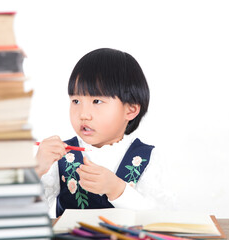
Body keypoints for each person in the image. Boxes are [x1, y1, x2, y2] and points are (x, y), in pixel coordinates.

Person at [35, 48, 173, 218]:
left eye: (97, 101)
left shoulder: (147, 157)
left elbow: (162, 217)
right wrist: (37, 169)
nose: (83, 114)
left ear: (130, 110)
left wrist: (117, 189)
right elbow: (31, 214)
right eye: (76, 101)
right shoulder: (59, 155)